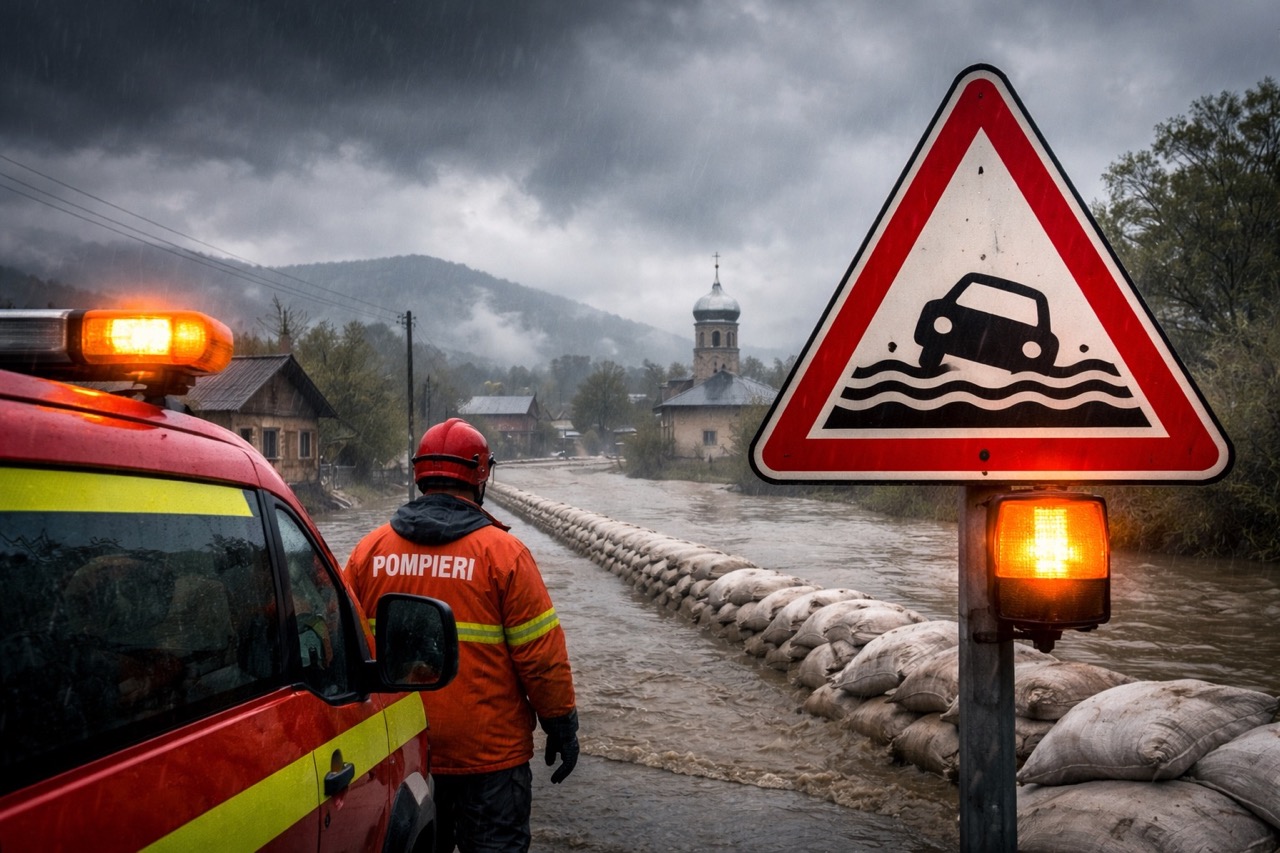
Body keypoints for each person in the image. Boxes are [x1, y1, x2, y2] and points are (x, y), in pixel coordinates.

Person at [344, 418, 578, 853]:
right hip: (489, 762)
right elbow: (541, 658)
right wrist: (561, 724)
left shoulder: (369, 552)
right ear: (480, 475)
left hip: (404, 756)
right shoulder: (504, 555)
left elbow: (340, 647)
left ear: (420, 474)